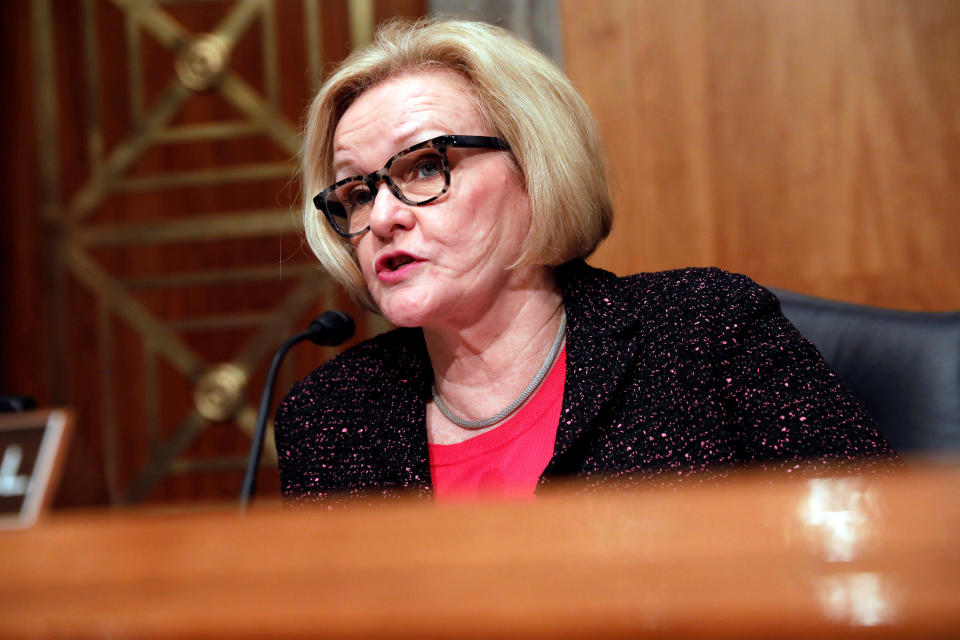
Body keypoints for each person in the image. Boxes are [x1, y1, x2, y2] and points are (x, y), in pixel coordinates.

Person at [275, 19, 898, 504]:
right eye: (357, 192)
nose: (382, 217)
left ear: (536, 170)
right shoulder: (330, 417)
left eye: (427, 166)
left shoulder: (702, 332)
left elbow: (880, 542)